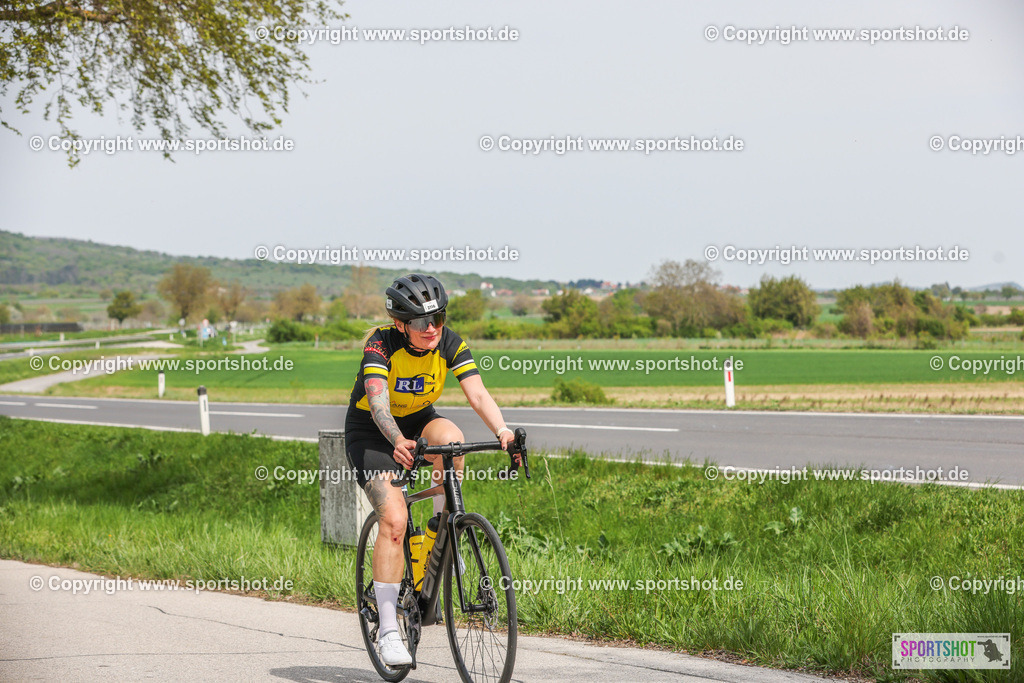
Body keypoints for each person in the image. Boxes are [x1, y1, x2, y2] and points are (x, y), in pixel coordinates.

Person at [345, 273, 516, 667]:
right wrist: (395, 440)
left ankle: (438, 533)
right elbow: (378, 404)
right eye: (422, 323)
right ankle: (388, 628)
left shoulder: (449, 342)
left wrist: (503, 431)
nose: (432, 329)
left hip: (419, 420)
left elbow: (476, 392)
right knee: (394, 519)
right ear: (400, 324)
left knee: (453, 440)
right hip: (372, 432)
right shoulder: (380, 345)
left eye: (438, 318)